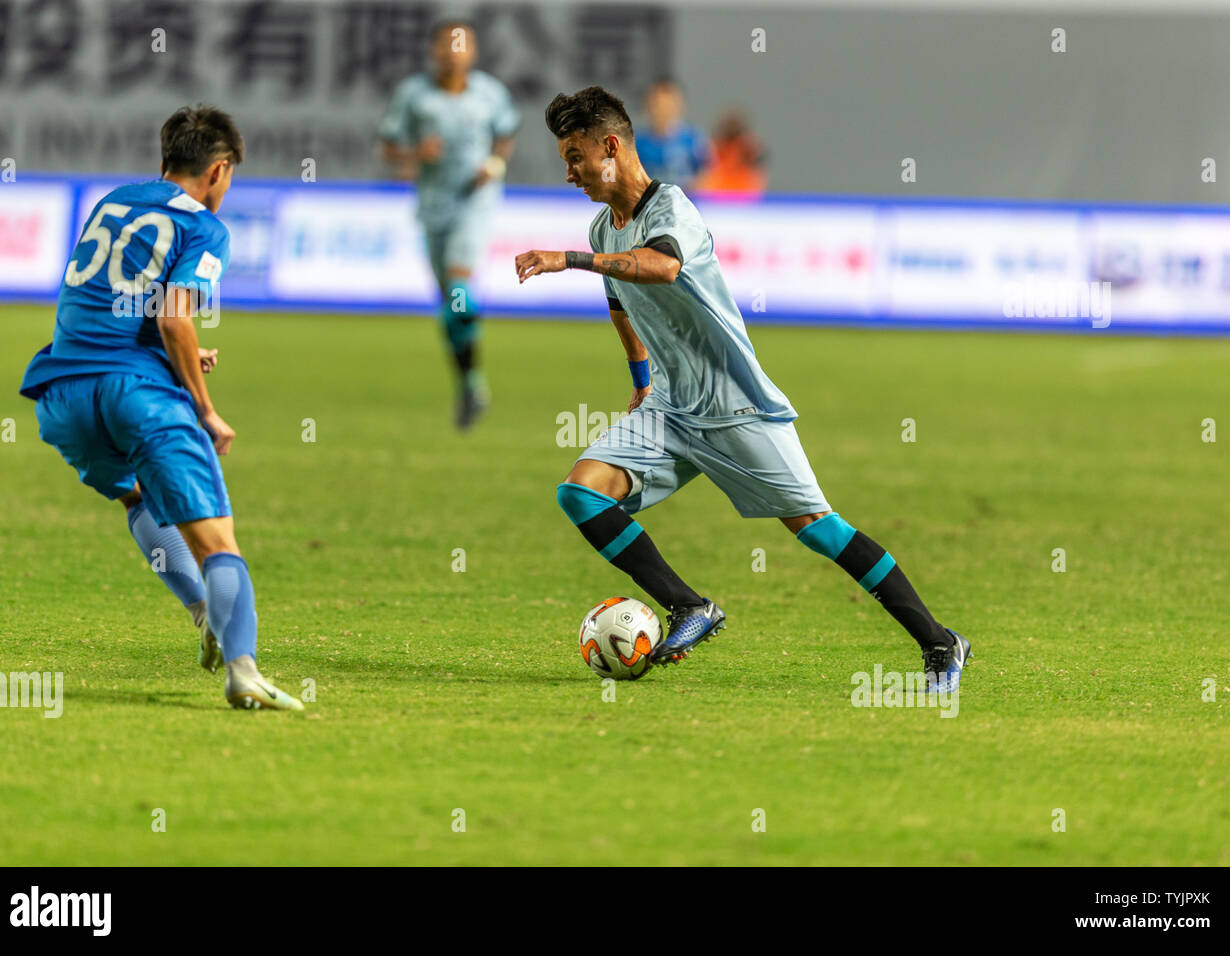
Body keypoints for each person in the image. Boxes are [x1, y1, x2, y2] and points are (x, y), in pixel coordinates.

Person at [514, 87, 971, 690]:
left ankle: (941, 644)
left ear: (611, 146)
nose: (569, 172)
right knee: (581, 493)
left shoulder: (670, 209)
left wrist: (566, 259)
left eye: (575, 157)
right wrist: (641, 378)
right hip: (672, 407)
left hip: (735, 405)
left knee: (819, 529)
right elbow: (620, 302)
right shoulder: (604, 227)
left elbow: (662, 266)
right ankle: (688, 607)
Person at [19, 105, 303, 711]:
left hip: (63, 392)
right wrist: (204, 406)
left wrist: (174, 357)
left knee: (137, 496)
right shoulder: (205, 227)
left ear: (164, 159)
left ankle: (200, 610)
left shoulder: (113, 202)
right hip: (137, 396)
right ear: (220, 171)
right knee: (218, 542)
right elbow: (175, 314)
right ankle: (244, 670)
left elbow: (107, 302)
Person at [379, 20, 521, 429]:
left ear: (473, 52)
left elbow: (506, 135)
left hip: (475, 202)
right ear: (434, 51)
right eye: (446, 45)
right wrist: (414, 154)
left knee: (460, 280)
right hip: (433, 206)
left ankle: (467, 309)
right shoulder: (414, 96)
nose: (453, 53)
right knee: (450, 308)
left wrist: (494, 164)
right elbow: (388, 146)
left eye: (461, 45)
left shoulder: (490, 94)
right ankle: (471, 384)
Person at [633, 78, 710, 193]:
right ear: (648, 106)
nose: (663, 110)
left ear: (679, 105)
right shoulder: (638, 143)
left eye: (669, 104)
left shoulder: (693, 140)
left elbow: (708, 173)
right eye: (658, 104)